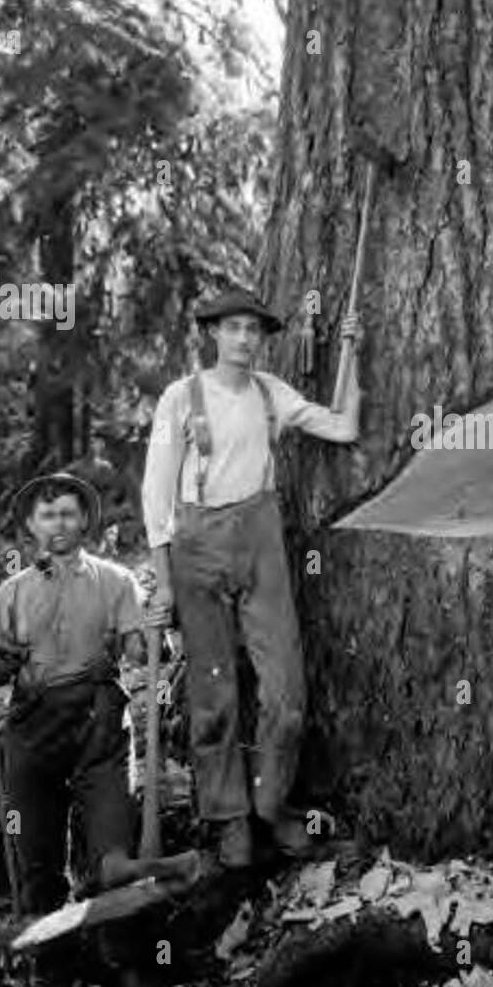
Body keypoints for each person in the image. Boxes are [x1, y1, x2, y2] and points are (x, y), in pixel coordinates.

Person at [141, 287, 361, 868]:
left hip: (261, 543)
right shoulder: (179, 398)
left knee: (286, 693)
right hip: (196, 548)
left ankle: (271, 805)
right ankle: (228, 818)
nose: (243, 339)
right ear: (213, 333)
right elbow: (156, 494)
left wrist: (352, 354)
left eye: (253, 330)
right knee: (213, 697)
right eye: (232, 328)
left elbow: (343, 427)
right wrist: (163, 579)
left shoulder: (273, 394)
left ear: (263, 339)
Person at [0, 472, 169, 914]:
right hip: (32, 731)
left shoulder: (116, 581)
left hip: (101, 727)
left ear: (83, 523)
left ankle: (126, 962)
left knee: (114, 856)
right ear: (32, 526)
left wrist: (153, 632)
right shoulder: (11, 593)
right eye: (48, 515)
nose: (58, 523)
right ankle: (53, 968)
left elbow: (140, 653)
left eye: (68, 514)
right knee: (35, 860)